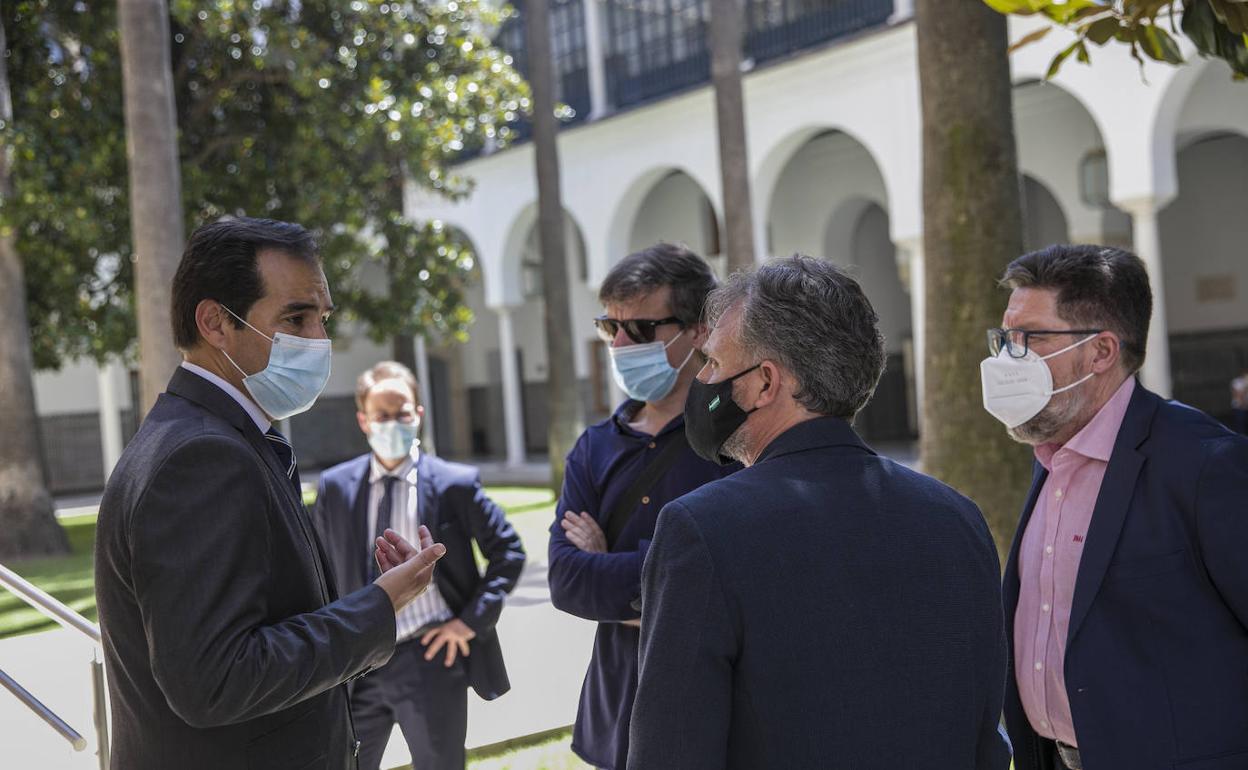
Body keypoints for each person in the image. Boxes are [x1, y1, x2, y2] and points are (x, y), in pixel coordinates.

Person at [627, 255, 1010, 770]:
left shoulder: (701, 530)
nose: (704, 382)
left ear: (765, 382)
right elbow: (986, 735)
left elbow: (670, 754)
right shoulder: (957, 518)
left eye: (713, 364)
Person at [94, 217, 446, 770]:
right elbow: (215, 680)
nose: (318, 341)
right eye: (295, 318)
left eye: (321, 318)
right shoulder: (201, 457)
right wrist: (378, 608)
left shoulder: (217, 435)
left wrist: (371, 595)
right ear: (214, 322)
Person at [982, 244, 1248, 770]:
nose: (1009, 358)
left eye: (1029, 338)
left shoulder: (1204, 464)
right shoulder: (1049, 458)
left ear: (1101, 352)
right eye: (1005, 338)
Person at [547, 243, 737, 770]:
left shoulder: (736, 440)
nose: (622, 343)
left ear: (699, 329)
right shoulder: (592, 447)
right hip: (617, 717)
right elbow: (566, 581)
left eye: (642, 328)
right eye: (612, 328)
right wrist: (669, 581)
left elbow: (731, 575)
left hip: (713, 715)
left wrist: (609, 565)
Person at [311, 361, 526, 770]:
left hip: (429, 658)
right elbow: (320, 566)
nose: (393, 423)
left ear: (419, 414)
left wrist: (468, 622)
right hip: (358, 662)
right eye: (382, 416)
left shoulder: (453, 483)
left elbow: (509, 552)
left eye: (402, 413)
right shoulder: (335, 486)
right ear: (364, 420)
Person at [1231, 369, 1248, 435]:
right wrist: (1246, 386)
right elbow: (1238, 395)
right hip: (1239, 408)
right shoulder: (1236, 382)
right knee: (1240, 428)